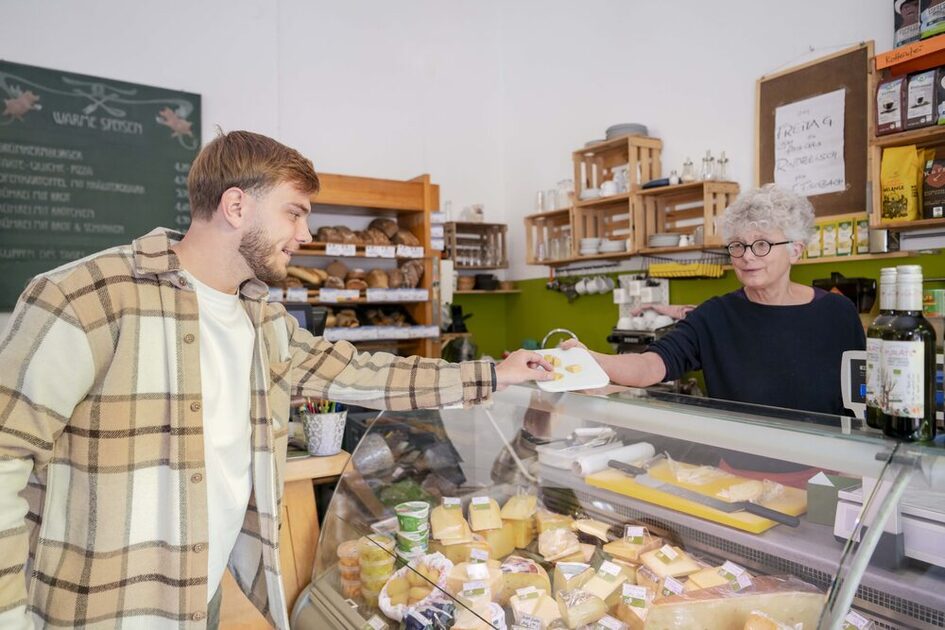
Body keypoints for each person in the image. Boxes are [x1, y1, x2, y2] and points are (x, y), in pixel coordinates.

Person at [0, 130, 552, 630]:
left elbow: (363, 372)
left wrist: (495, 374)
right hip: (100, 608)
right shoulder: (87, 297)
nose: (305, 233)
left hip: (201, 598)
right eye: (294, 213)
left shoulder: (262, 320)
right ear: (236, 205)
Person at [564, 184, 866, 481]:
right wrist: (591, 359)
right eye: (738, 245)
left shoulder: (837, 313)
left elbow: (861, 398)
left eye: (762, 244)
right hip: (736, 478)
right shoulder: (715, 316)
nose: (747, 256)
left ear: (796, 250)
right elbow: (650, 365)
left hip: (822, 479)